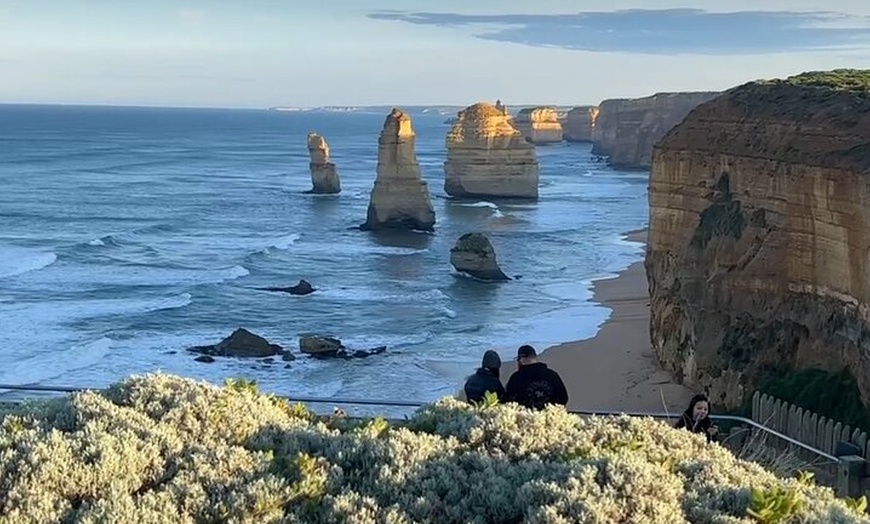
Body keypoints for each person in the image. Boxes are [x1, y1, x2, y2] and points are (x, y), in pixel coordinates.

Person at [504, 345, 568, 409]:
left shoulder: (516, 378)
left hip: (525, 417)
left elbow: (508, 401)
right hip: (550, 416)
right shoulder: (552, 375)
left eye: (518, 359)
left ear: (521, 359)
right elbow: (563, 398)